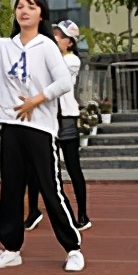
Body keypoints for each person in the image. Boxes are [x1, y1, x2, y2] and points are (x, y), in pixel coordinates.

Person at [0, 0, 83, 273]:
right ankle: (11, 248)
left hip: (40, 127)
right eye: (20, 6)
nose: (24, 11)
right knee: (11, 190)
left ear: (41, 14)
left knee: (51, 190)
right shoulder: (5, 46)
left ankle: (73, 248)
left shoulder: (47, 45)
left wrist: (35, 101)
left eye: (31, 6)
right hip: (11, 127)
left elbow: (64, 82)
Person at [25, 20, 90, 230]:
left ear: (69, 42)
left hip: (65, 119)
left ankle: (82, 215)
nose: (52, 39)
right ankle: (34, 210)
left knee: (72, 167)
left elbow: (50, 80)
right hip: (45, 118)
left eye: (57, 36)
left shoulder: (71, 61)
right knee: (35, 166)